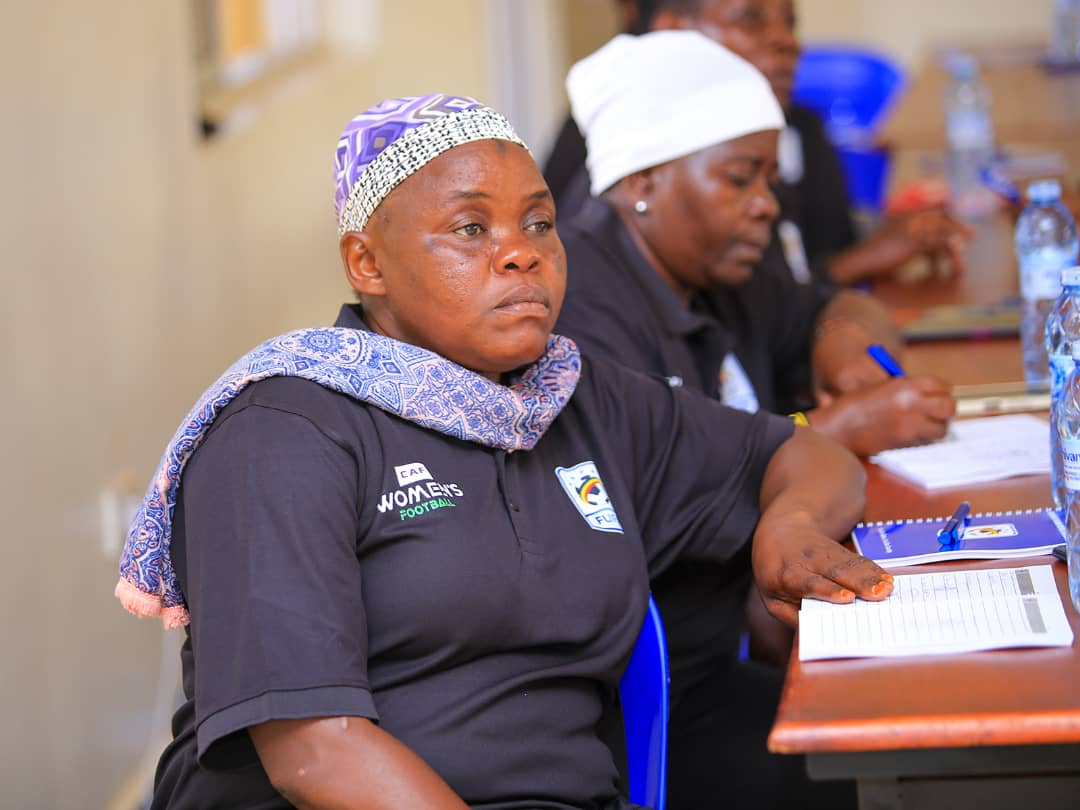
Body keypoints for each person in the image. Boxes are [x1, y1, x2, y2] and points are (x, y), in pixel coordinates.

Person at [114, 93, 893, 810]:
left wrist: (788, 527)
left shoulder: (574, 396)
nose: (520, 254)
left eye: (539, 223)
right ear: (367, 263)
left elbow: (808, 457)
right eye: (470, 228)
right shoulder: (285, 429)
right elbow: (315, 752)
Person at [556, 32, 956, 810]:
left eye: (770, 179)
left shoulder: (722, 257)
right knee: (894, 773)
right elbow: (656, 491)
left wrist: (848, 349)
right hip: (652, 705)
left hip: (749, 633)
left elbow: (840, 302)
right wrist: (835, 427)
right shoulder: (584, 309)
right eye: (741, 179)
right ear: (643, 179)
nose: (767, 205)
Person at [543, 0, 973, 286]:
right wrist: (861, 261)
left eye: (790, 23)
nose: (786, 41)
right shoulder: (609, 146)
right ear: (670, 31)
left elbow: (802, 279)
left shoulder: (801, 126)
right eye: (750, 18)